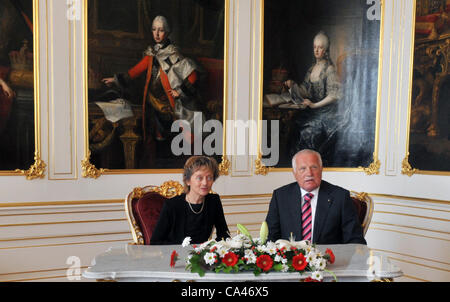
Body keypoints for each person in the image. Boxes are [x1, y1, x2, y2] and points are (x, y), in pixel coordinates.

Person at [102, 15, 204, 144]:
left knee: (182, 135)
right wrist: (115, 80)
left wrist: (179, 92)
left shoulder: (174, 54)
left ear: (167, 32)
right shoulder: (152, 54)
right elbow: (135, 71)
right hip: (152, 101)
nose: (156, 33)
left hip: (169, 104)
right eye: (154, 29)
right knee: (155, 136)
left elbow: (193, 75)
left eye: (160, 30)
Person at [265, 149, 366, 245]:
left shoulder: (340, 197)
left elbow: (355, 241)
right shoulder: (280, 197)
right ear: (294, 173)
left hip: (330, 261)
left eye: (314, 167)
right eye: (302, 168)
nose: (309, 173)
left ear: (321, 169)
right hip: (290, 261)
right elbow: (270, 238)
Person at [284, 31, 346, 164]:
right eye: (315, 47)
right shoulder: (312, 69)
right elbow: (305, 91)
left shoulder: (329, 69)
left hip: (326, 110)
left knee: (308, 130)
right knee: (295, 124)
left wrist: (314, 105)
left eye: (320, 47)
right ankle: (297, 164)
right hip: (313, 110)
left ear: (326, 50)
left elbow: (334, 95)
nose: (317, 50)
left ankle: (310, 163)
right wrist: (292, 86)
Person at [150, 155, 230, 245]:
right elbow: (155, 242)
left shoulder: (213, 201)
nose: (205, 183)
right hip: (175, 256)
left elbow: (224, 234)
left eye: (209, 178)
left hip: (202, 256)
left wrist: (214, 248)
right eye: (199, 178)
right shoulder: (172, 205)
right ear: (188, 181)